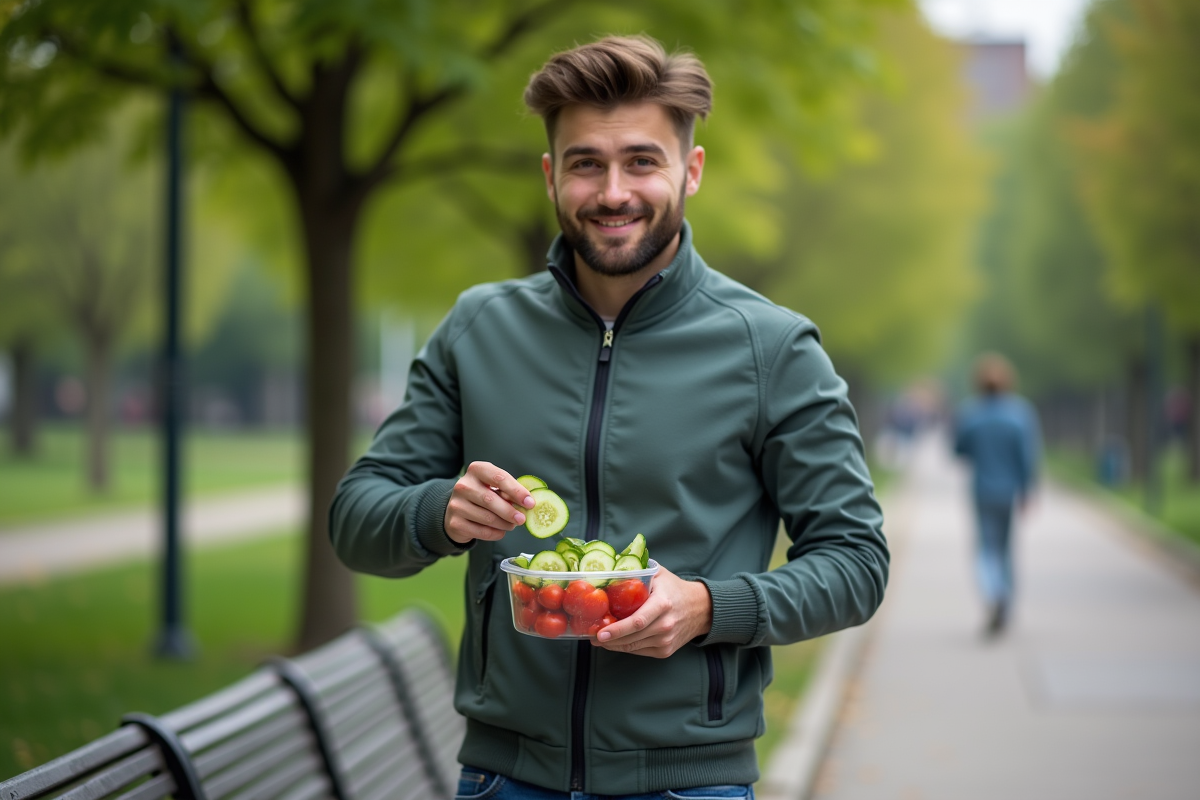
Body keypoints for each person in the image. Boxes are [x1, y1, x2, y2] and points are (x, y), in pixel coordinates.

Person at [330, 35, 888, 800]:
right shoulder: (478, 328)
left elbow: (856, 561)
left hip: (689, 784)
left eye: (643, 161)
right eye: (587, 162)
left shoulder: (773, 347)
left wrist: (706, 607)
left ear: (690, 171)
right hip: (505, 778)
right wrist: (442, 512)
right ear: (551, 174)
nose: (614, 190)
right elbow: (356, 519)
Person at [953, 353, 1041, 637]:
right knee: (1005, 549)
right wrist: (1028, 490)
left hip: (982, 491)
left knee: (985, 548)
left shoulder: (971, 413)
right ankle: (1005, 595)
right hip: (1010, 492)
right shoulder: (1020, 413)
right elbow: (1028, 457)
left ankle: (994, 592)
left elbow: (958, 450)